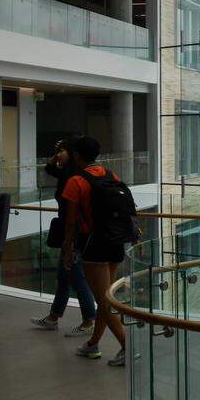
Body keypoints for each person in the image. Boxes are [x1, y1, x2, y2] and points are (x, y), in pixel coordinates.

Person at [62, 136, 132, 365]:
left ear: (77, 155)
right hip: (116, 243)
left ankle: (128, 347)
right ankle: (93, 344)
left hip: (93, 246)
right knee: (105, 297)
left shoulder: (76, 181)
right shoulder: (112, 176)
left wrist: (67, 248)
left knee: (104, 301)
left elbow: (71, 222)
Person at [30, 139, 96, 336]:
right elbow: (49, 169)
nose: (59, 155)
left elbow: (71, 216)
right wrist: (57, 153)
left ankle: (89, 320)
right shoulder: (67, 173)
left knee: (76, 278)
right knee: (63, 277)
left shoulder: (75, 177)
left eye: (63, 151)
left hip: (75, 235)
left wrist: (69, 242)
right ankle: (54, 317)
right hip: (72, 234)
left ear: (75, 153)